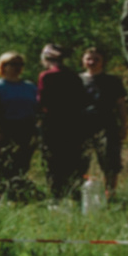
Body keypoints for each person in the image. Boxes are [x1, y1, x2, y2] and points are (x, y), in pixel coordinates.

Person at [36, 44, 90, 201]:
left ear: (46, 59)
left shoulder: (46, 76)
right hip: (74, 125)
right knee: (74, 161)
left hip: (53, 125)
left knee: (54, 162)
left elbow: (41, 101)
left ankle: (56, 197)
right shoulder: (74, 76)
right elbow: (83, 100)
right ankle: (76, 195)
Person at [0, 52, 38, 202]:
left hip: (25, 128)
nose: (17, 68)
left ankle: (16, 198)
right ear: (3, 66)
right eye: (13, 64)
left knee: (21, 165)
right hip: (4, 128)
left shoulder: (29, 87)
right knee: (2, 166)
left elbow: (36, 109)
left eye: (20, 64)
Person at [80, 46, 127, 194]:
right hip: (82, 126)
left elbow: (121, 104)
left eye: (96, 59)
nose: (92, 62)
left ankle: (110, 194)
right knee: (80, 162)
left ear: (103, 62)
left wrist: (124, 125)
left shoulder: (112, 81)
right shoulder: (76, 80)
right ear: (83, 61)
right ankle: (82, 194)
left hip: (107, 125)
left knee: (110, 162)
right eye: (88, 59)